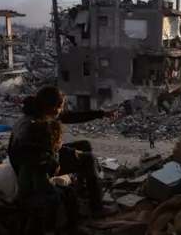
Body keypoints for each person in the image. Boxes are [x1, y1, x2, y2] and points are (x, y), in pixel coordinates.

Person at [8, 86, 117, 217]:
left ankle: (82, 190)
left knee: (84, 145)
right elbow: (38, 154)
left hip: (39, 156)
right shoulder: (34, 125)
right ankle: (97, 208)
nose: (61, 111)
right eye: (60, 107)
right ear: (53, 107)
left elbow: (71, 116)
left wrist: (102, 113)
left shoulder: (41, 112)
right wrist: (69, 154)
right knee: (89, 159)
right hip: (33, 166)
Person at [17, 119, 72, 235]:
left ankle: (72, 224)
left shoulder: (43, 153)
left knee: (68, 191)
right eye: (60, 139)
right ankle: (49, 230)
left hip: (34, 191)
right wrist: (54, 185)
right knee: (55, 198)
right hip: (30, 196)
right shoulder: (40, 159)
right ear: (53, 140)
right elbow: (41, 185)